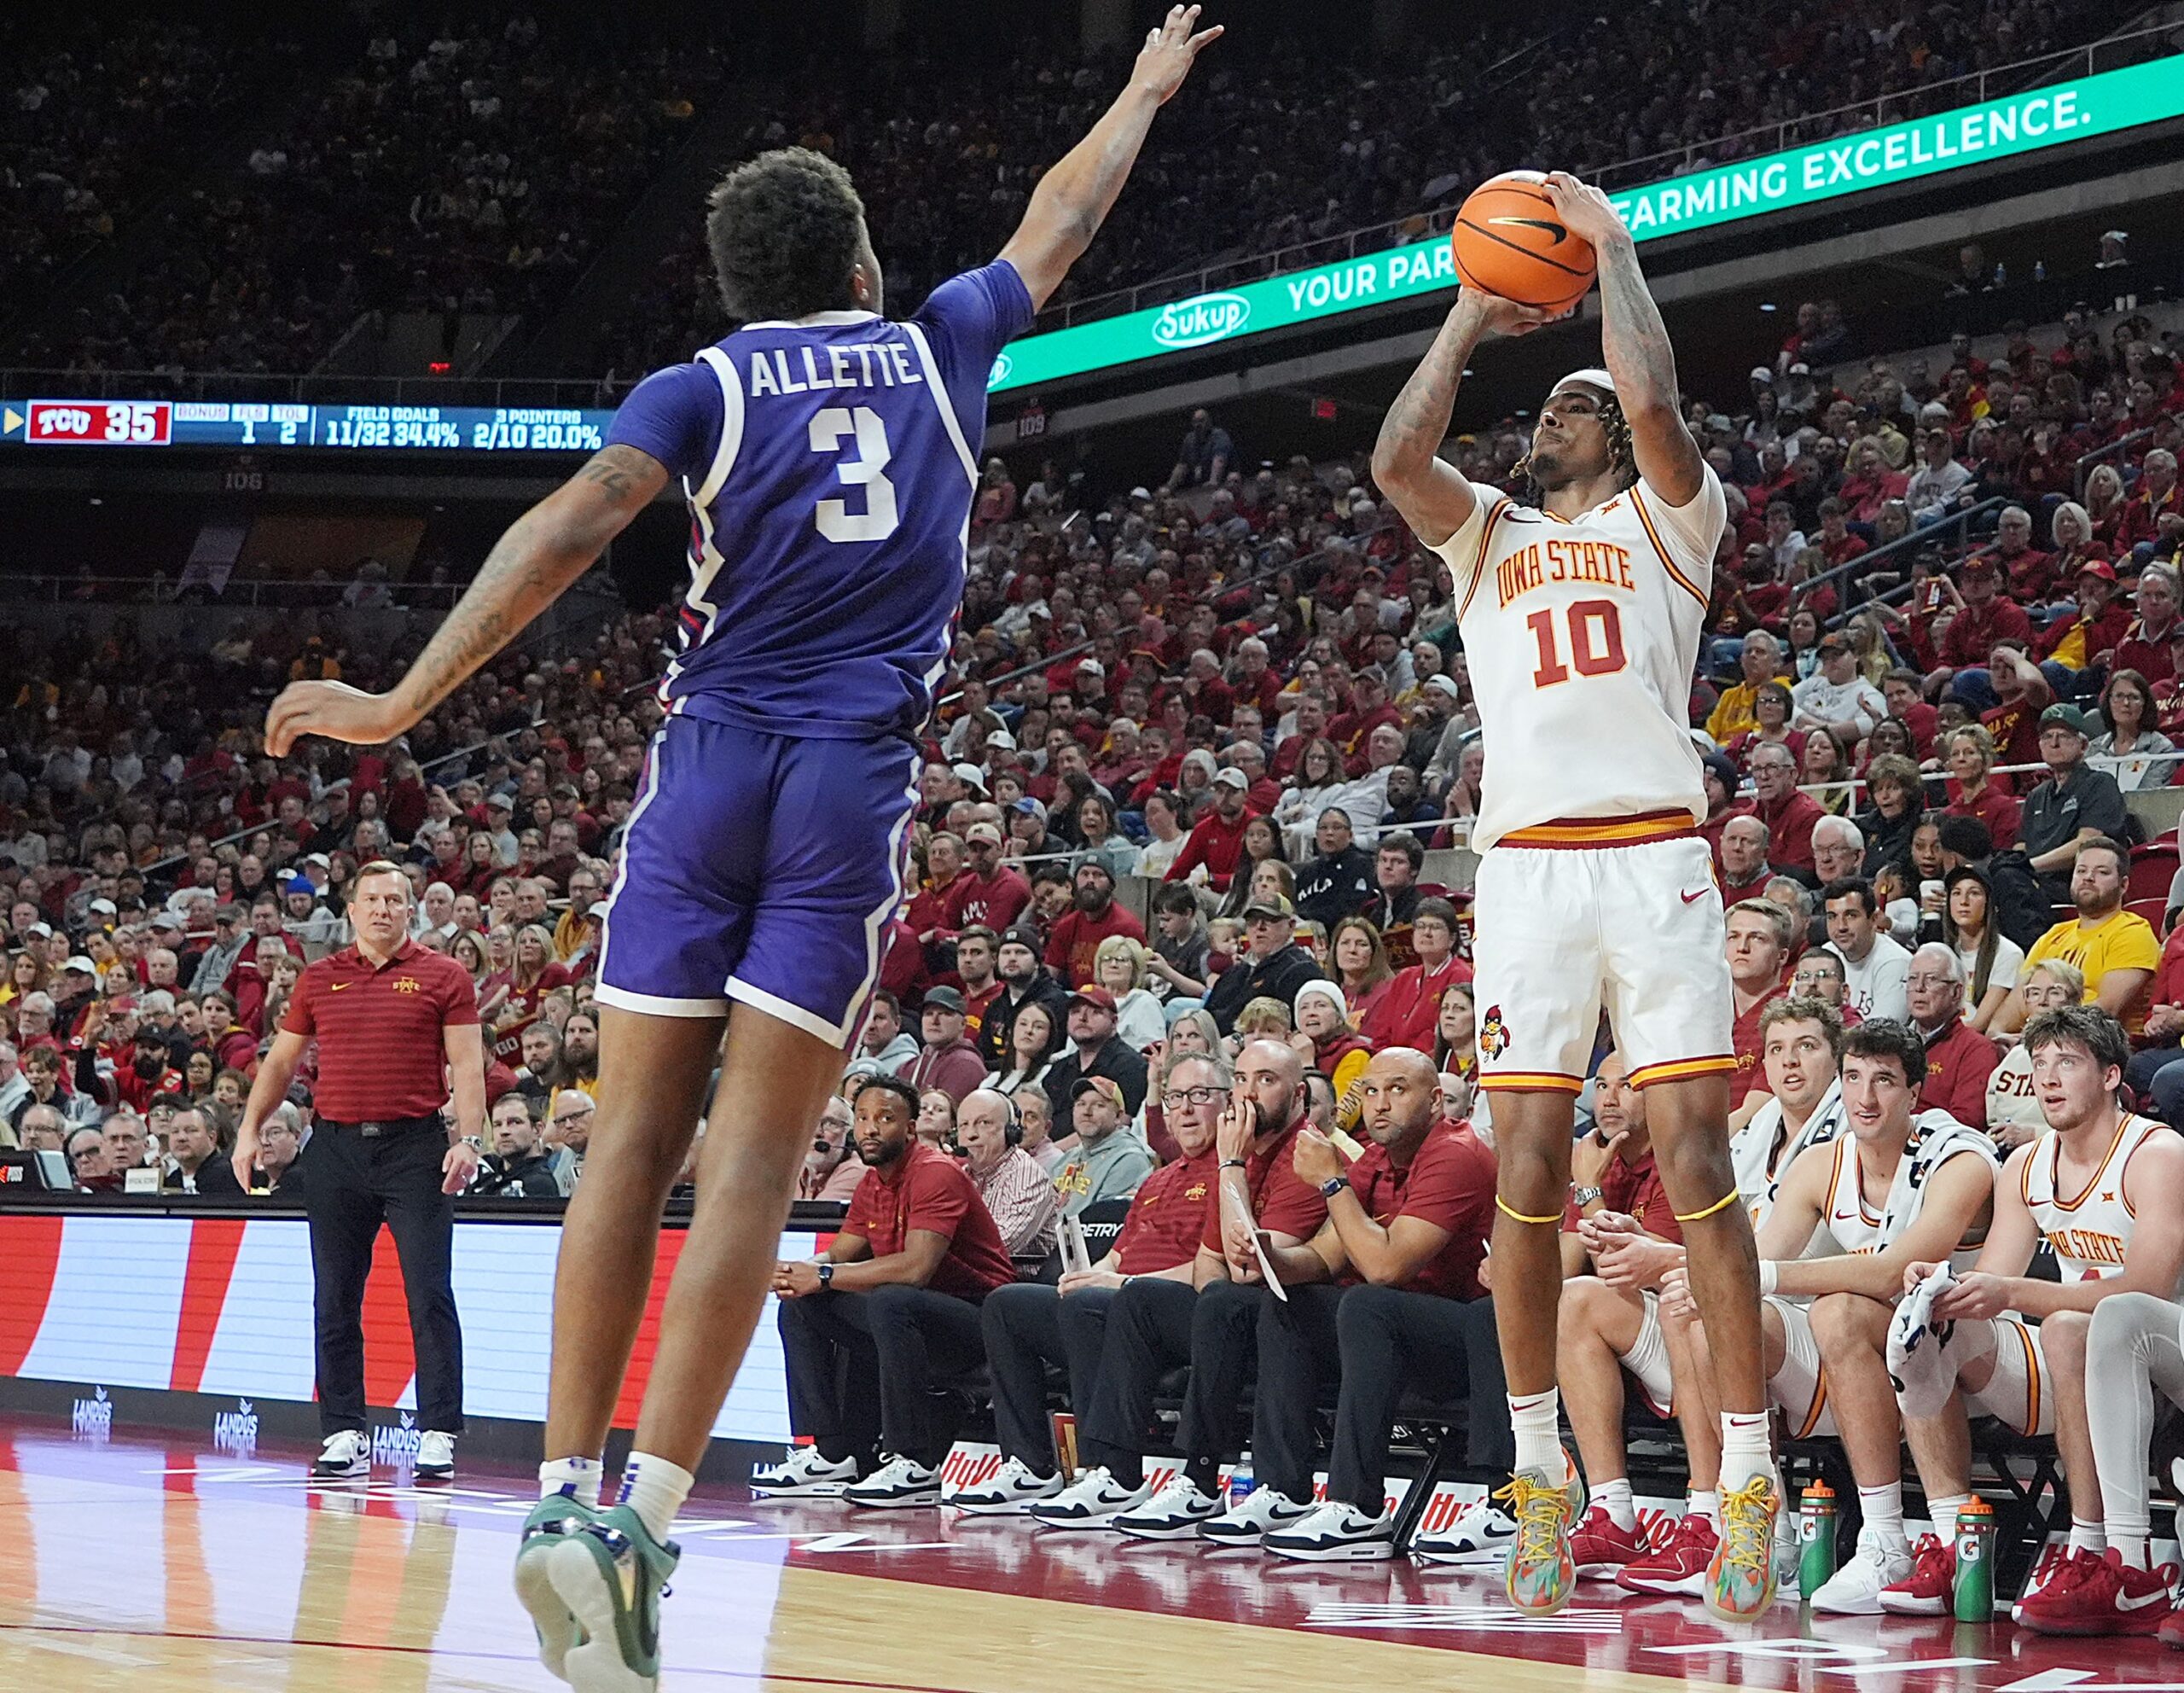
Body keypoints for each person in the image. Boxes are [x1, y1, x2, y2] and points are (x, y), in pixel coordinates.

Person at [224, 26, 1239, 1668]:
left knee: (629, 1140)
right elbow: (1059, 218)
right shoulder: (941, 346)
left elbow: (569, 526)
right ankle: (642, 1520)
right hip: (846, 785)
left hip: (703, 774)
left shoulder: (699, 387)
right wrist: (1137, 95)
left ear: (736, 287)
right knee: (753, 1175)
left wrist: (403, 692)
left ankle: (557, 1489)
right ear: (858, 257)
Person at [1372, 170, 1773, 1620]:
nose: (1558, 413)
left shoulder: (1676, 518)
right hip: (1529, 869)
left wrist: (1611, 248)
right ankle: (1541, 1472)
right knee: (1527, 1179)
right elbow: (1397, 458)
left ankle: (1745, 1480)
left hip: (1656, 848)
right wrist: (1475, 311)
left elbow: (1661, 404)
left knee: (1695, 1155)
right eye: (1547, 405)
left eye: (1576, 401)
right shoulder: (1489, 537)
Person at [1658, 1020, 1997, 1614]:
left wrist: (1749, 1279)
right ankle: (1765, 1530)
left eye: (1885, 1082)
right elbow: (1758, 1257)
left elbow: (1896, 1272)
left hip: (1973, 1346)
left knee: (1843, 1313)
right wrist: (1693, 1273)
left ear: (1916, 1093)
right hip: (1875, 1353)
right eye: (1853, 1078)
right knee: (1715, 1319)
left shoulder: (1959, 1159)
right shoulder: (1821, 1163)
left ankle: (1887, 1537)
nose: (1865, 1098)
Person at [1888, 1006, 2184, 1632]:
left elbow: (2150, 1286)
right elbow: (1995, 1277)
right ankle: (1953, 1539)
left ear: (2109, 1076)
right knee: (1937, 1326)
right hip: (2089, 1355)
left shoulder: (2156, 1153)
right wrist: (1943, 1285)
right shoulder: (2025, 1165)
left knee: (2091, 1322)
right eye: (2039, 1064)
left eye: (2066, 1064)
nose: (2048, 1079)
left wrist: (2011, 1290)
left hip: (2169, 1345)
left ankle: (2118, 1557)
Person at [229, 863, 485, 1486]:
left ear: (411, 910)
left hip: (415, 1148)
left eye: (395, 900)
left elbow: (468, 1064)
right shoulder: (319, 979)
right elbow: (281, 1061)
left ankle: (438, 1433)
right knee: (334, 1297)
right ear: (351, 909)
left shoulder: (444, 975)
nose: (383, 909)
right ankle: (343, 1431)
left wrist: (470, 1140)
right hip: (336, 1149)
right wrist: (246, 1130)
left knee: (429, 1293)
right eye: (372, 899)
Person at [1042, 1039, 1329, 1537]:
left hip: (1298, 1315)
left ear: (1299, 1094)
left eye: (1266, 1080)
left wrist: (1230, 1165)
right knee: (1138, 1301)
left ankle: (1201, 1478)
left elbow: (1251, 1267)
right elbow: (1210, 1268)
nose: (1250, 1093)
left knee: (1208, 1303)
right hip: (1238, 1310)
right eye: (1242, 1079)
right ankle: (1113, 1472)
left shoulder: (1306, 1155)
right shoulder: (1234, 1156)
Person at [955, 1052, 1228, 1516]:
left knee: (1093, 1304)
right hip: (1122, 1298)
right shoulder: (1158, 1179)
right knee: (1008, 1305)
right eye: (1175, 1097)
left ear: (1228, 1103)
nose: (1184, 1109)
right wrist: (1088, 1275)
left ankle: (1111, 1472)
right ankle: (1028, 1464)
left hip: (1175, 1311)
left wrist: (1115, 1282)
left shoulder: (1231, 1172)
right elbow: (1117, 1253)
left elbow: (1210, 1270)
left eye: (1198, 1097)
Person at [753, 1075, 1018, 1509]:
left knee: (891, 1298)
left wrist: (821, 1277)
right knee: (802, 1305)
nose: (870, 1129)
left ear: (911, 1128)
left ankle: (914, 1462)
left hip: (980, 1322)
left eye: (885, 1118)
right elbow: (839, 1254)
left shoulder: (936, 1174)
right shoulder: (872, 1183)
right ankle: (833, 1453)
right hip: (909, 1321)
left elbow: (916, 1268)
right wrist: (794, 1272)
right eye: (862, 1118)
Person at [2004, 839, 2158, 1034]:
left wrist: (2035, 1036)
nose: (2088, 878)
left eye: (2102, 872)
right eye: (2081, 871)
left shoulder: (2133, 932)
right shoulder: (2054, 935)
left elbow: (2105, 1011)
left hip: (2100, 1045)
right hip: (2042, 1040)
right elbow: (2017, 1001)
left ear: (2124, 885)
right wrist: (1997, 1036)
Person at [2018, 705, 2130, 905]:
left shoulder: (2100, 784)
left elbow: (2087, 844)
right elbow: (2021, 846)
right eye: (2047, 736)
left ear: (2084, 745)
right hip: (2033, 881)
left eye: (2064, 736)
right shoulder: (2036, 795)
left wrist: (2027, 867)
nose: (2054, 743)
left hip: (2076, 883)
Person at [1356, 897, 1469, 1052]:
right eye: (1421, 926)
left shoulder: (1460, 976)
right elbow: (1381, 1032)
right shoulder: (1404, 978)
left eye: (1435, 927)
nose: (1427, 933)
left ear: (1452, 938)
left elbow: (1439, 1038)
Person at [956, 1089, 1058, 1260]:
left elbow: (999, 1246)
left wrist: (936, 1243)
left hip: (1016, 1281)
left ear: (1011, 1132)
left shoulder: (1027, 1174)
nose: (971, 1134)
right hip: (966, 1275)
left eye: (984, 1123)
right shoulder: (960, 1174)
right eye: (964, 1125)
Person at [1202, 894, 1324, 1035]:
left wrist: (1238, 1041)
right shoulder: (1234, 972)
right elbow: (1206, 1018)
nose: (1259, 927)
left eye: (1270, 919)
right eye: (1253, 921)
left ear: (1291, 926)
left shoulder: (1301, 970)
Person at [1904, 944, 1996, 1132]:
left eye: (1931, 979)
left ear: (1957, 992)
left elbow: (1966, 1123)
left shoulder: (1976, 1049)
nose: (1919, 988)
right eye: (1913, 979)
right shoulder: (1892, 1044)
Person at [1052, 1075, 1156, 1218]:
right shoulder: (1068, 1158)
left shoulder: (1129, 1160)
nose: (1087, 1111)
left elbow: (1104, 1222)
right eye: (1081, 1104)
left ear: (1118, 1117)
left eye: (1099, 1105)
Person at [1940, 864, 2024, 1034]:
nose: (1964, 901)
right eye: (1956, 893)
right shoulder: (1944, 953)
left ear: (1988, 902)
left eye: (1974, 893)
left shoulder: (2008, 954)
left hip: (1976, 1042)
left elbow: (1978, 1025)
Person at [1043, 860, 1146, 990]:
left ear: (1111, 885)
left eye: (1098, 875)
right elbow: (1052, 971)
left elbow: (1135, 978)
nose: (1090, 880)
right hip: (1077, 998)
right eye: (1084, 874)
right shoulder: (1066, 926)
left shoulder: (1125, 927)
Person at [1823, 879, 1912, 1024]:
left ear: (1874, 919)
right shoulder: (1825, 956)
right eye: (1832, 917)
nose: (1841, 926)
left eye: (1851, 915)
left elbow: (1880, 1039)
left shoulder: (1895, 962)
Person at [903, 986, 987, 1104]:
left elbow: (947, 1120)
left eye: (945, 1014)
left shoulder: (965, 1064)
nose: (934, 1021)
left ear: (963, 1024)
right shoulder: (908, 1067)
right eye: (928, 1013)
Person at [479, 1091, 570, 1198]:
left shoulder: (540, 1184)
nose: (504, 1131)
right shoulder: (486, 1168)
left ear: (537, 1130)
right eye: (498, 1124)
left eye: (515, 1122)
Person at [799, 1094, 863, 1203]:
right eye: (810, 1122)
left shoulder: (857, 1172)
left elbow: (815, 1217)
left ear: (850, 1136)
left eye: (830, 1123)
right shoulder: (797, 1170)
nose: (817, 1132)